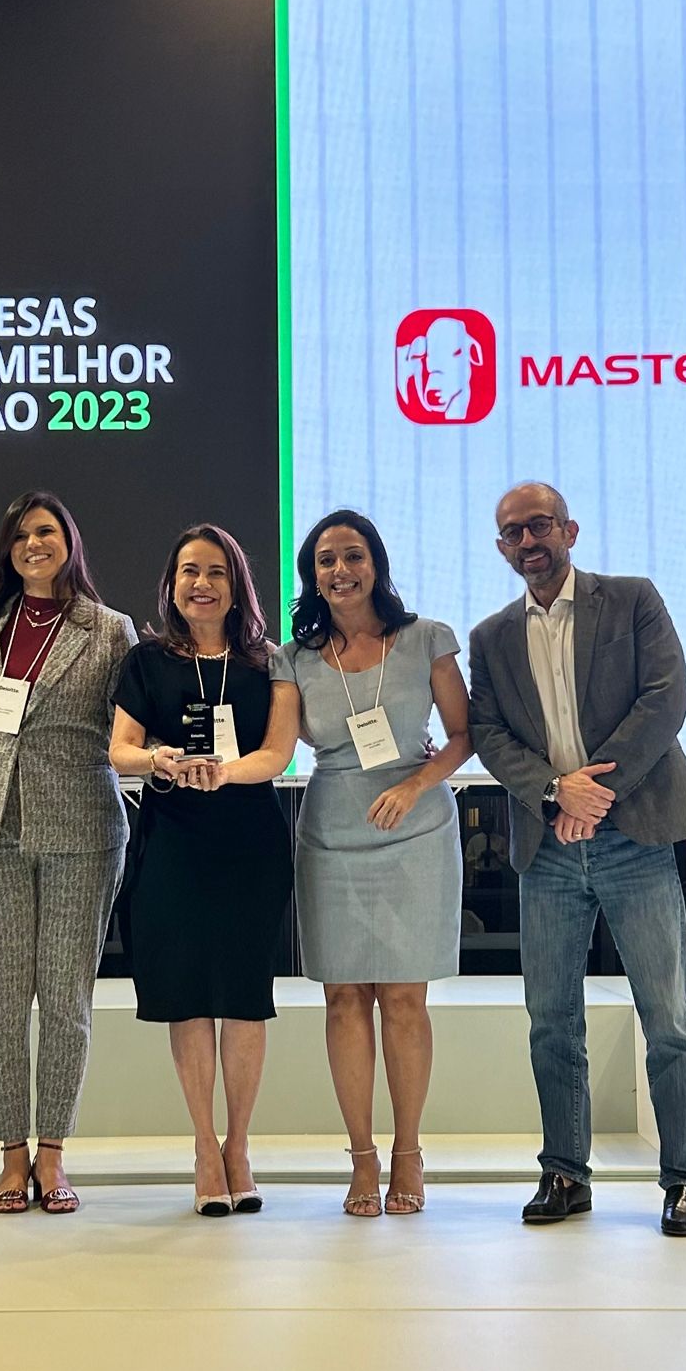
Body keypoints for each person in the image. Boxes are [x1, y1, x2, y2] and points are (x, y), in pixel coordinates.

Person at [469, 481, 686, 1237]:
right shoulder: (490, 636)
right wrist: (555, 792)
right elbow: (487, 732)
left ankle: (684, 1181)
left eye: (539, 525)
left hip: (633, 835)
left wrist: (592, 794)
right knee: (551, 1020)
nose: (528, 541)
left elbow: (664, 698)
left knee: (667, 1020)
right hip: (547, 847)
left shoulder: (632, 599)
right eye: (513, 532)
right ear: (501, 547)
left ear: (568, 530)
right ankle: (565, 1173)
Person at [271, 510, 471, 1217]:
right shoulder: (293, 658)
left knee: (405, 999)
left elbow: (462, 735)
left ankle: (408, 1153)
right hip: (331, 834)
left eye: (352, 556)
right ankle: (361, 1158)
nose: (340, 571)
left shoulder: (426, 639)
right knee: (344, 998)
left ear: (375, 564)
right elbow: (277, 748)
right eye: (325, 560)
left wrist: (416, 784)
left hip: (417, 832)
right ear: (311, 576)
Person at [0, 491, 137, 1215]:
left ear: (69, 541)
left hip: (80, 830)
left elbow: (133, 724)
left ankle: (52, 1153)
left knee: (65, 999)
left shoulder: (109, 630)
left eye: (46, 531)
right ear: (8, 547)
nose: (33, 543)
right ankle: (10, 1155)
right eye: (21, 534)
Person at [108, 525, 296, 1215]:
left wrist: (221, 773)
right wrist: (159, 761)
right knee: (186, 995)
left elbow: (277, 753)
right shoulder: (146, 660)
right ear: (172, 583)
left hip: (249, 844)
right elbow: (120, 748)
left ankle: (239, 1146)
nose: (202, 584)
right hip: (172, 844)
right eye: (189, 570)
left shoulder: (269, 661)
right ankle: (203, 1146)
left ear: (236, 585)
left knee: (244, 996)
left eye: (216, 571)